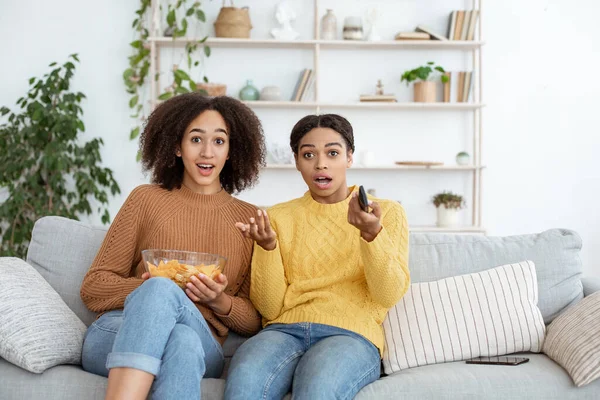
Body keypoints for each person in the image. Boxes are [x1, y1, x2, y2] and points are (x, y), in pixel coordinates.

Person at [80, 93, 266, 400]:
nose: (207, 152)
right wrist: (152, 289)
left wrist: (220, 301)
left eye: (219, 141)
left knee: (185, 336)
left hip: (203, 338)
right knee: (169, 311)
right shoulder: (145, 200)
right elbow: (93, 287)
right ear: (177, 146)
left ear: (232, 150)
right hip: (117, 331)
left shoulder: (248, 219)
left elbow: (253, 320)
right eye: (196, 139)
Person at [226, 114, 410, 400]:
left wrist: (372, 236)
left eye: (332, 153)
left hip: (349, 335)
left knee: (317, 390)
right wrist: (268, 247)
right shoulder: (277, 217)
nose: (320, 163)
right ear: (297, 162)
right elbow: (269, 308)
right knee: (244, 383)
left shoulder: (386, 213)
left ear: (349, 158)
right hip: (283, 331)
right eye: (308, 154)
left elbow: (387, 294)